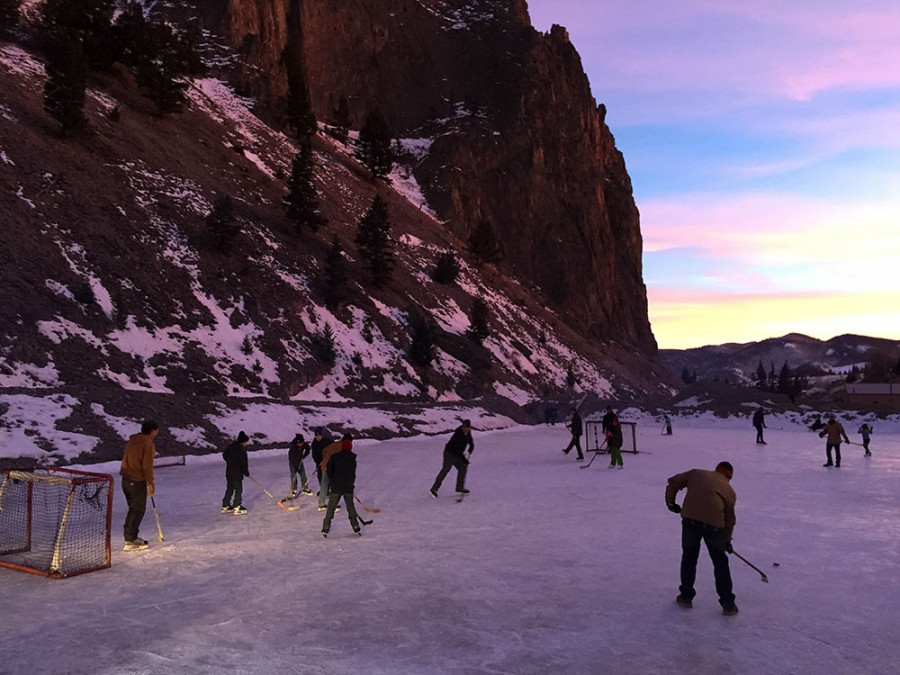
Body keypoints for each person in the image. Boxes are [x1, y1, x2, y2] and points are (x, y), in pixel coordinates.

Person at [665, 461, 738, 616]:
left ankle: (686, 596)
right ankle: (728, 604)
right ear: (729, 477)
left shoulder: (696, 473)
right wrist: (726, 541)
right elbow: (729, 520)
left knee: (689, 557)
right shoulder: (729, 491)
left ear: (717, 470)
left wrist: (671, 502)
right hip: (714, 526)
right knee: (720, 563)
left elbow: (673, 482)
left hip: (690, 520)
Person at [120, 419, 158, 551]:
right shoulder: (148, 443)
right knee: (138, 509)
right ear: (153, 431)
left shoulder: (131, 442)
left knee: (133, 509)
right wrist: (150, 482)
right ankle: (130, 539)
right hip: (136, 480)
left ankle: (129, 536)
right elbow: (147, 466)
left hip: (125, 480)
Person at [321, 433, 362, 537]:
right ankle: (356, 526)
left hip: (336, 486)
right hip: (348, 486)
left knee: (331, 508)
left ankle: (325, 528)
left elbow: (329, 470)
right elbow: (353, 474)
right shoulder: (352, 458)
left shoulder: (335, 457)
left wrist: (333, 479)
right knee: (351, 507)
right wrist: (350, 483)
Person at [430, 419, 474, 498]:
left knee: (463, 467)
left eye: (467, 427)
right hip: (449, 453)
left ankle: (459, 488)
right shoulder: (458, 434)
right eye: (464, 427)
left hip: (457, 454)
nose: (465, 428)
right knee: (446, 469)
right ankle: (434, 489)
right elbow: (457, 450)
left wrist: (471, 447)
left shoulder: (468, 433)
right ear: (462, 426)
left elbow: (470, 441)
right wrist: (464, 459)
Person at [222, 431, 250, 514]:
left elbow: (224, 455)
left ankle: (225, 506)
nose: (247, 444)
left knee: (230, 488)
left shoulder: (230, 447)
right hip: (237, 473)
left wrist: (230, 462)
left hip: (229, 472)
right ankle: (237, 506)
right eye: (246, 442)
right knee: (238, 490)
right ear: (243, 441)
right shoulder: (241, 450)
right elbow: (243, 463)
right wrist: (246, 472)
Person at [311, 427, 334, 511]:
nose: (318, 437)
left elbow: (334, 448)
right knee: (320, 478)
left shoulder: (327, 441)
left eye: (319, 435)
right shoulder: (314, 443)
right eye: (316, 436)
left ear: (322, 435)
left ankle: (327, 492)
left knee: (328, 479)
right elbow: (314, 454)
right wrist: (317, 462)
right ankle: (325, 492)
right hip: (319, 463)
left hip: (328, 463)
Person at [287, 433, 313, 497]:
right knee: (294, 476)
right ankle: (294, 489)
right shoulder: (293, 447)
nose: (300, 445)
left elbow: (308, 449)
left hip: (300, 462)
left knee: (303, 475)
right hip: (293, 463)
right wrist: (296, 467)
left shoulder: (304, 444)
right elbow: (291, 458)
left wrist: (304, 456)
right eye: (298, 443)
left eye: (301, 443)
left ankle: (305, 488)